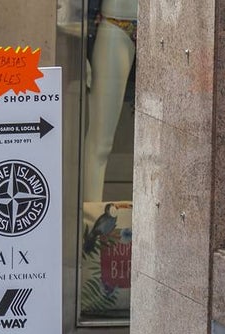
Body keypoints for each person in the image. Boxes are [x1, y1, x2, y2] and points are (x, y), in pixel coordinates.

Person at [82, 0, 137, 202]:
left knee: (165, 138)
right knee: (101, 141)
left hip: (165, 27)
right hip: (116, 21)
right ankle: (91, 214)